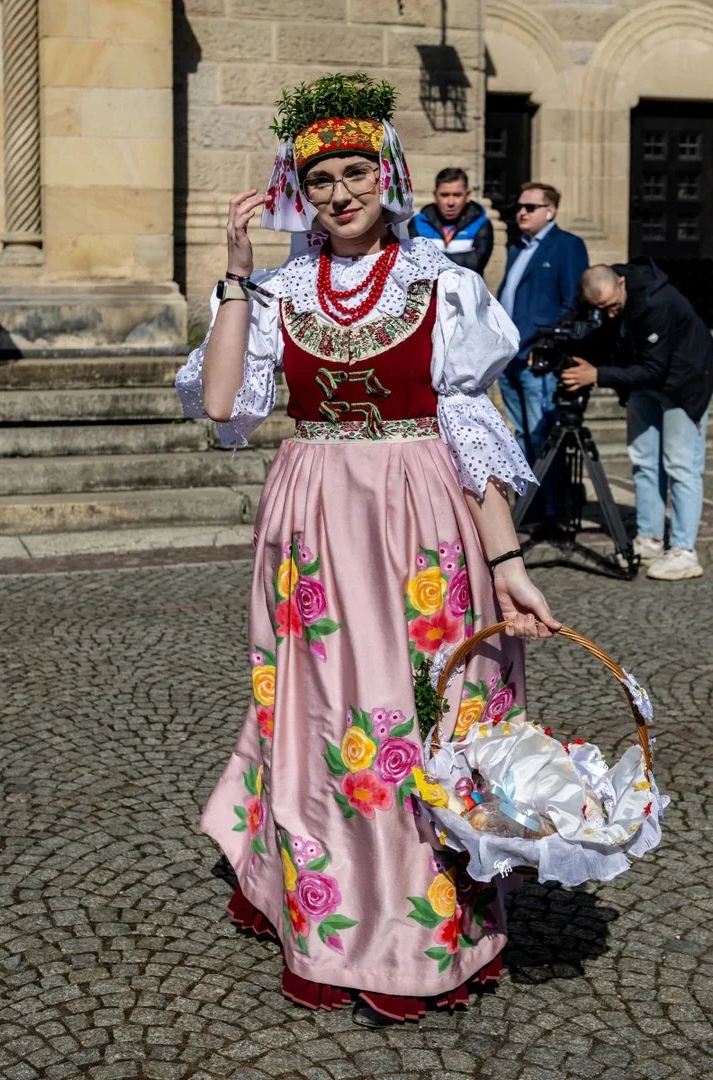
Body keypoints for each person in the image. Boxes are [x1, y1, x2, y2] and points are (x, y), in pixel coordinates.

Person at [175, 74, 559, 1028]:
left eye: (356, 172)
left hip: (420, 522)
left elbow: (477, 442)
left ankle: (424, 925)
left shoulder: (445, 286)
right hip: (312, 525)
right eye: (320, 181)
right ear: (297, 193)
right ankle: (330, 917)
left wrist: (508, 567)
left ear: (387, 173)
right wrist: (232, 273)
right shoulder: (278, 292)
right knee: (318, 716)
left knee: (421, 709)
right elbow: (224, 407)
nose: (341, 194)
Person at [561, 260, 712, 581]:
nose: (611, 314)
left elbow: (656, 367)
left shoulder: (658, 301)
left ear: (622, 284)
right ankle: (649, 539)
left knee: (681, 465)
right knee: (644, 462)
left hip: (682, 385)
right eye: (602, 309)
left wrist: (597, 374)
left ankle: (684, 550)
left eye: (613, 307)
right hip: (643, 384)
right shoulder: (600, 290)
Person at [497, 183, 589, 467]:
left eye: (530, 207)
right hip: (509, 357)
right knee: (523, 434)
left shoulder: (567, 245)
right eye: (519, 207)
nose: (521, 212)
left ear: (550, 211)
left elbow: (574, 302)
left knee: (542, 435)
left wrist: (549, 344)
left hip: (538, 358)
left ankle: (549, 508)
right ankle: (529, 505)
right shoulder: (517, 246)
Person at [408, 167, 493, 274]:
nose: (450, 202)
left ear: (468, 195)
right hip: (425, 289)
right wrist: (461, 259)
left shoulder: (481, 224)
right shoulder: (418, 223)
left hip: (465, 290)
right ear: (435, 195)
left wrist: (428, 259)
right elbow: (410, 262)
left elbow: (475, 264)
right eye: (444, 195)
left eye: (457, 195)